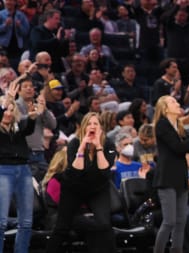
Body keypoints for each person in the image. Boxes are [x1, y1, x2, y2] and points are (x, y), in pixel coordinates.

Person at [45, 112, 117, 253]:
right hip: (73, 188)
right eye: (89, 124)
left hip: (97, 188)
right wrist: (82, 147)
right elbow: (76, 171)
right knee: (62, 228)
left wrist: (98, 147)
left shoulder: (108, 143)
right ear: (84, 127)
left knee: (104, 224)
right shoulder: (75, 143)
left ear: (101, 128)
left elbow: (105, 170)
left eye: (96, 124)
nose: (92, 126)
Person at [152, 95, 189, 253]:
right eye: (173, 102)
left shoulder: (178, 126)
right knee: (169, 221)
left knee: (181, 221)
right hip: (167, 177)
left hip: (181, 177)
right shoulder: (162, 125)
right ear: (165, 108)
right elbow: (177, 148)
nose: (177, 103)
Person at [0, 76, 43, 253]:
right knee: (1, 222)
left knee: (26, 222)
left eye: (12, 110)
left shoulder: (17, 129)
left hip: (23, 170)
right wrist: (8, 99)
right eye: (6, 110)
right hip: (3, 171)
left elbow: (28, 128)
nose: (9, 113)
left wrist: (32, 117)